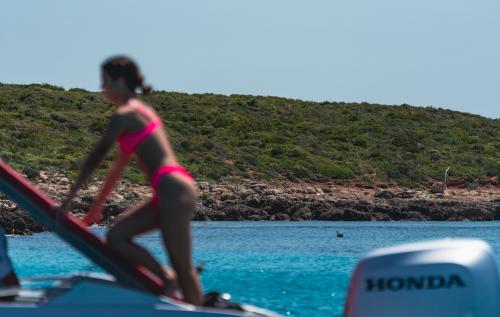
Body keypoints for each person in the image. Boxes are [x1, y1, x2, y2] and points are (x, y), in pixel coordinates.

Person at [58, 56, 202, 305]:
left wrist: (68, 200)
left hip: (173, 189)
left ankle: (196, 307)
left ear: (120, 80)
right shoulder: (141, 111)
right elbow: (116, 168)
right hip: (168, 189)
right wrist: (95, 207)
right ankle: (167, 278)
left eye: (105, 81)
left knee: (183, 267)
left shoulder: (126, 115)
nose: (103, 88)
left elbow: (96, 157)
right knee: (117, 237)